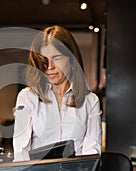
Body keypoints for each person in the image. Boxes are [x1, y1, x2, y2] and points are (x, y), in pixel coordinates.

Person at [12, 25, 102, 162]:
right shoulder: (27, 98)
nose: (49, 67)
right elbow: (21, 153)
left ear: (72, 59)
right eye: (43, 59)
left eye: (57, 58)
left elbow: (92, 154)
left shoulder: (90, 101)